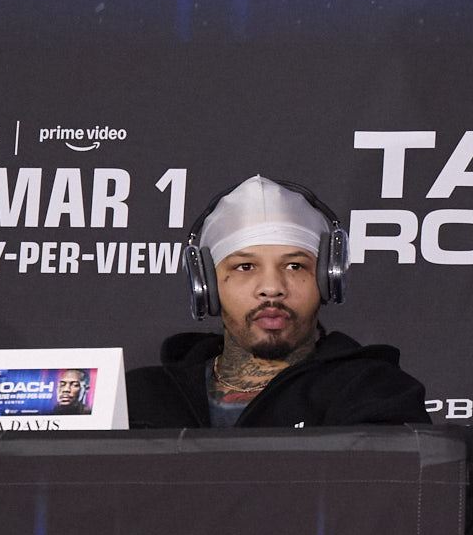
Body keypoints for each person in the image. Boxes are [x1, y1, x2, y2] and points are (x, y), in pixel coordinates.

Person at [126, 177, 430, 429]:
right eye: (245, 267)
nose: (272, 288)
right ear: (206, 285)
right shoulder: (140, 397)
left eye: (295, 266)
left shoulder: (375, 391)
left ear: (327, 279)